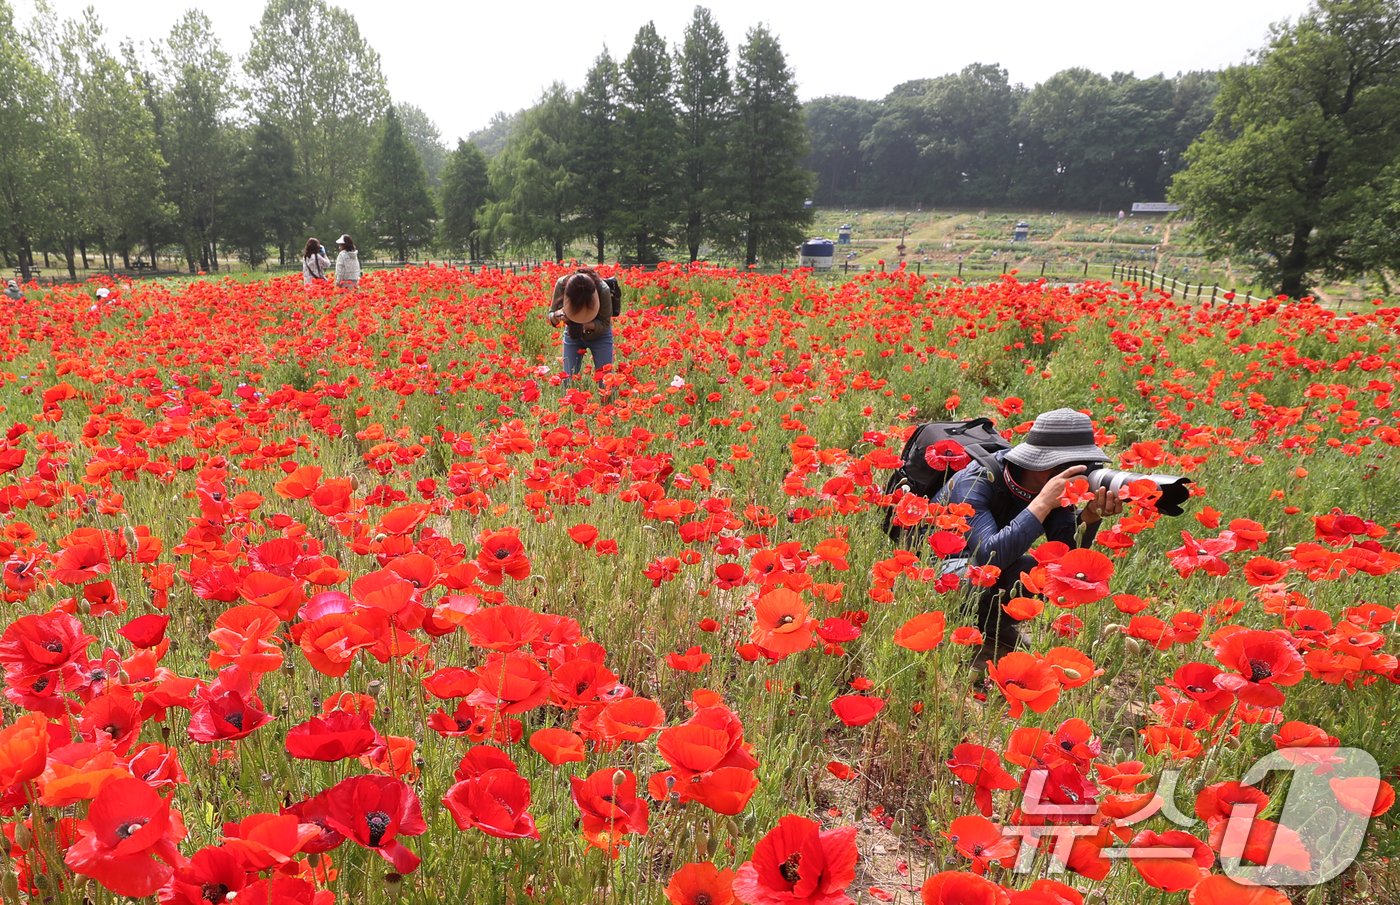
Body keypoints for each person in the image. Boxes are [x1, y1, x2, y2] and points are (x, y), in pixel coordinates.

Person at [936, 408, 1123, 659]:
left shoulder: (1051, 486)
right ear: (1043, 461)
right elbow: (988, 557)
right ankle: (957, 627)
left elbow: (1066, 557)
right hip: (936, 566)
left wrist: (1090, 516)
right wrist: (1042, 504)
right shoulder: (977, 479)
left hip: (986, 562)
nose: (1082, 471)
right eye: (1076, 465)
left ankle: (991, 624)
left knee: (1050, 573)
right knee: (973, 577)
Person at [546, 268, 614, 379]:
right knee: (568, 378)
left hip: (600, 337)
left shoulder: (603, 289)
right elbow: (550, 316)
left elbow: (605, 323)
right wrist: (557, 315)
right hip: (572, 335)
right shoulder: (561, 284)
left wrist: (585, 325)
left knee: (606, 380)